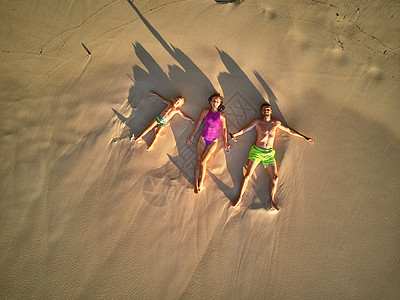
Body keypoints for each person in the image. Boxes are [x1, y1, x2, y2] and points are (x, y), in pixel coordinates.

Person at [230, 103, 314, 211]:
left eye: (268, 110)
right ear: (261, 112)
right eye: (264, 110)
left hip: (269, 154)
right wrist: (235, 134)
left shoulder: (276, 123)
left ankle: (272, 200)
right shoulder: (258, 122)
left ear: (271, 111)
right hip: (257, 152)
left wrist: (304, 137)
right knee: (247, 176)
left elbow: (289, 130)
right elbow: (245, 129)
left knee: (275, 178)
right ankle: (239, 198)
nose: (266, 111)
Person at [187, 93, 231, 194]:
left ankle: (201, 184)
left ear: (220, 103)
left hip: (213, 141)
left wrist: (226, 142)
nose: (215, 103)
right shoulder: (205, 111)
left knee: (203, 162)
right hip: (203, 138)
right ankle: (195, 184)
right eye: (214, 101)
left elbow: (224, 128)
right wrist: (192, 135)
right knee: (198, 161)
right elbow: (198, 124)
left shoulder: (222, 115)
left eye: (217, 101)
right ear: (210, 102)